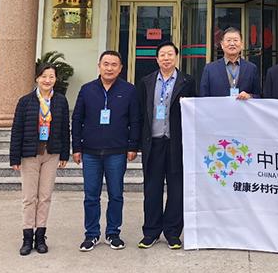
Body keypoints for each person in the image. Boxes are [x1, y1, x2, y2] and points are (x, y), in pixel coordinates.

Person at [72, 51, 139, 252]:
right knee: (91, 195)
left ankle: (113, 233)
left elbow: (135, 120)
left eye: (114, 65)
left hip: (117, 151)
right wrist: (76, 147)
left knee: (116, 194)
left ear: (120, 68)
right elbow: (77, 119)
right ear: (99, 66)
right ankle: (91, 234)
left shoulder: (129, 90)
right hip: (90, 152)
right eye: (106, 64)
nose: (109, 68)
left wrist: (133, 146)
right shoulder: (87, 90)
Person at [137, 41, 197, 249]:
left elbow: (194, 112)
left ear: (176, 57)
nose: (166, 58)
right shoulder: (146, 81)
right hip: (153, 143)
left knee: (176, 189)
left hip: (176, 143)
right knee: (152, 189)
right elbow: (140, 113)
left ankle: (172, 232)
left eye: (170, 54)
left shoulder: (187, 81)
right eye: (162, 55)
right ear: (157, 59)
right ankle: (151, 232)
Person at [9, 63, 70, 256]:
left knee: (45, 196)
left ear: (56, 79)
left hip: (51, 154)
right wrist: (14, 157)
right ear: (37, 78)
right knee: (29, 197)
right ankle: (27, 237)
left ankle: (41, 236)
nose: (47, 80)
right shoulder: (25, 101)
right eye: (44, 76)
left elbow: (65, 128)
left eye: (51, 76)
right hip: (30, 154)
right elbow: (17, 130)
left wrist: (65, 154)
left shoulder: (60, 101)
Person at [199, 27, 261, 99]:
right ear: (222, 45)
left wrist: (250, 96)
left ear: (241, 44)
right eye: (228, 40)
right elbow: (203, 97)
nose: (232, 44)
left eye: (235, 40)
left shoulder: (251, 68)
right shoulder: (210, 69)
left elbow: (258, 96)